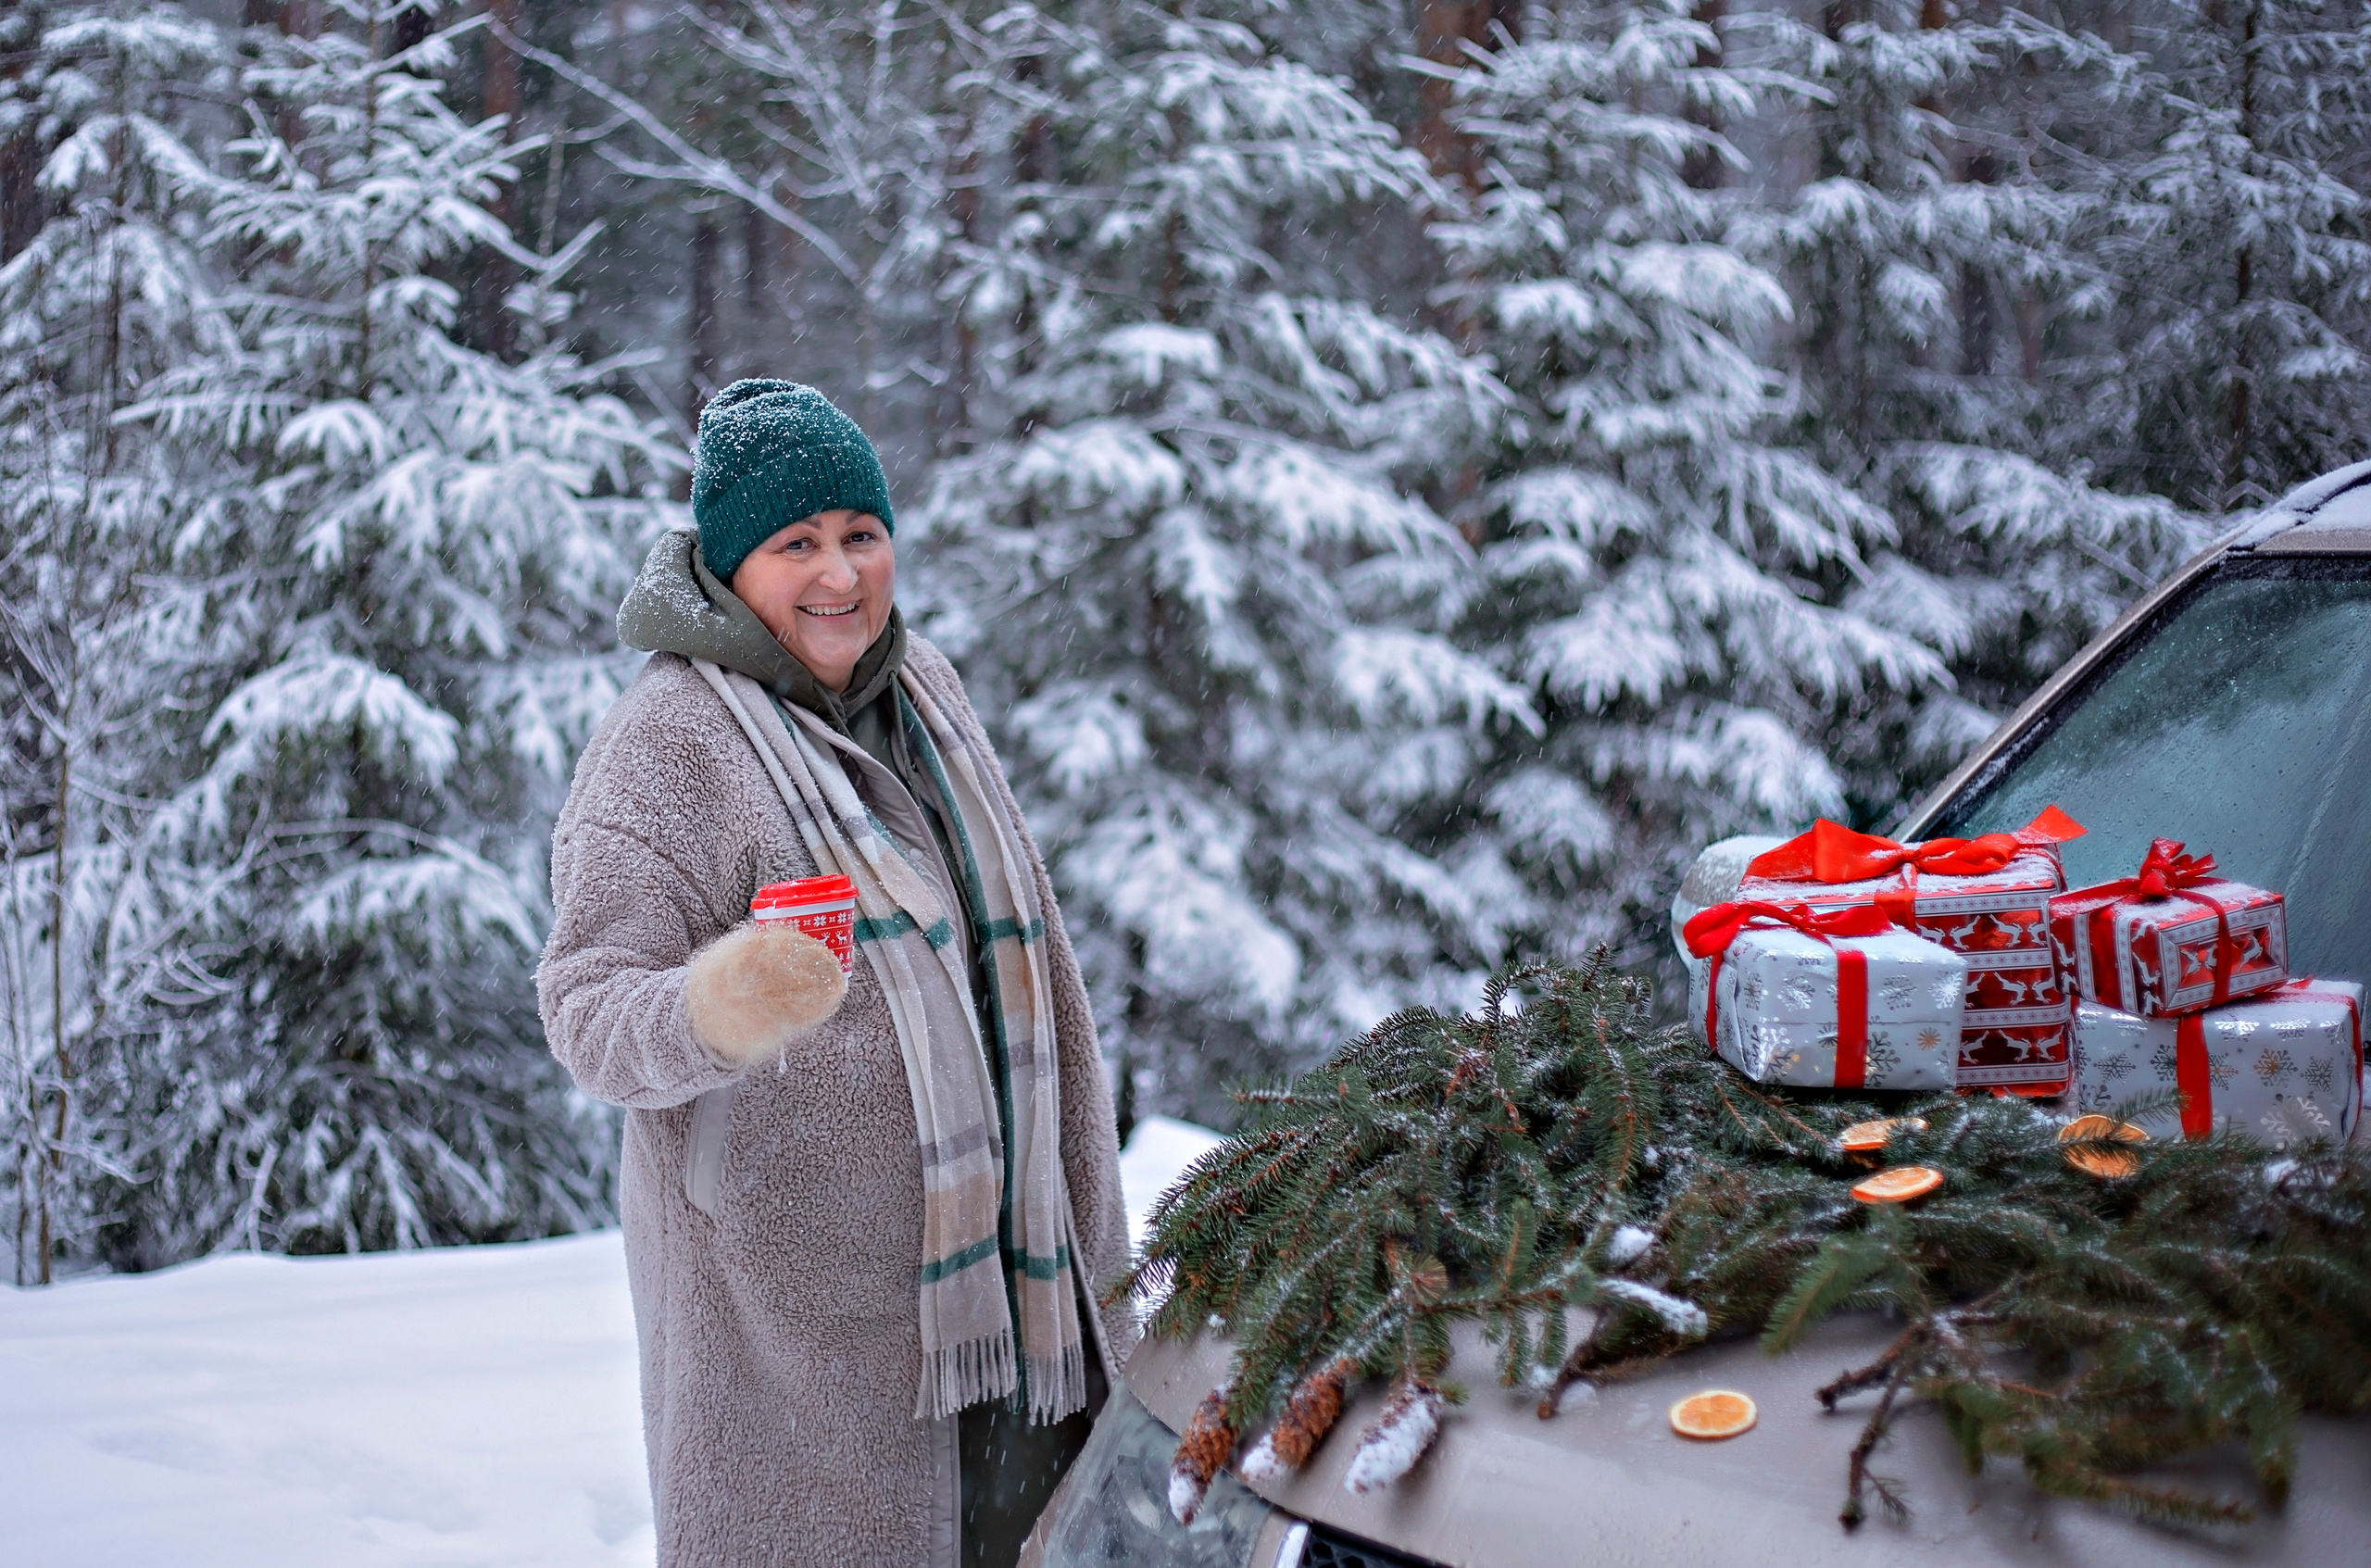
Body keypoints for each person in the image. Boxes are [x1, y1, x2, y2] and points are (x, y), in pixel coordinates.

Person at [537, 380, 1135, 1568]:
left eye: (862, 536)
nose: (839, 574)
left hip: (1013, 1294)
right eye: (795, 543)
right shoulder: (668, 741)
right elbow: (586, 1005)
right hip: (799, 1336)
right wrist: (718, 1003)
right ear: (727, 564)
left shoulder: (923, 695)